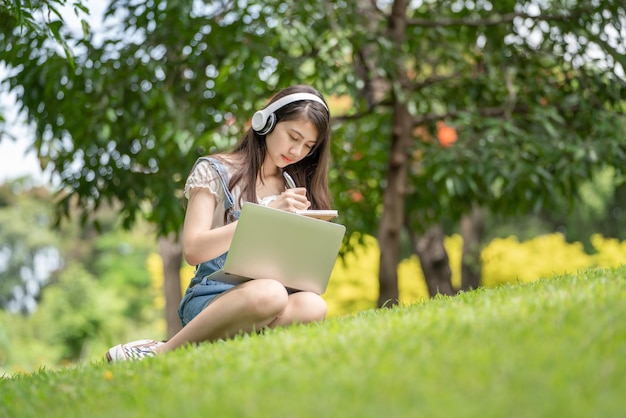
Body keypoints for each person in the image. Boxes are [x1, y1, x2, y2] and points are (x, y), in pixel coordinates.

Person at [106, 84, 332, 361]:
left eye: (308, 146)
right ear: (267, 122)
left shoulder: (292, 185)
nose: (297, 151)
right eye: (293, 137)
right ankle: (162, 352)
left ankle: (226, 354)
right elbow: (193, 249)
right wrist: (265, 217)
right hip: (213, 296)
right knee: (269, 292)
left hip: (270, 298)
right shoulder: (214, 170)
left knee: (312, 305)